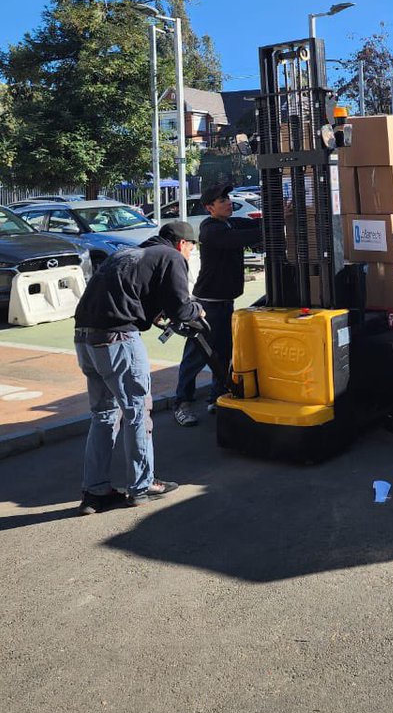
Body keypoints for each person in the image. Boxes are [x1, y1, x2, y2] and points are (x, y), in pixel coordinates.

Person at [74, 220, 202, 514]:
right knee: (137, 412)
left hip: (85, 336)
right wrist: (198, 310)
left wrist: (151, 315)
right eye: (192, 247)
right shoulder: (171, 257)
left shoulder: (129, 253)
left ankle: (95, 493)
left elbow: (129, 295)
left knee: (104, 414)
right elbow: (182, 307)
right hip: (118, 339)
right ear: (183, 244)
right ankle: (142, 485)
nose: (191, 252)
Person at [173, 184, 263, 427]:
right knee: (196, 355)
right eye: (221, 199)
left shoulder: (230, 223)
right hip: (206, 306)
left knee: (223, 354)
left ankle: (216, 397)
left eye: (228, 197)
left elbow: (257, 226)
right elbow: (247, 237)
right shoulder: (210, 230)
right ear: (209, 207)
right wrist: (271, 227)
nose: (228, 202)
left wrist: (282, 216)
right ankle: (182, 403)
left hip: (225, 304)